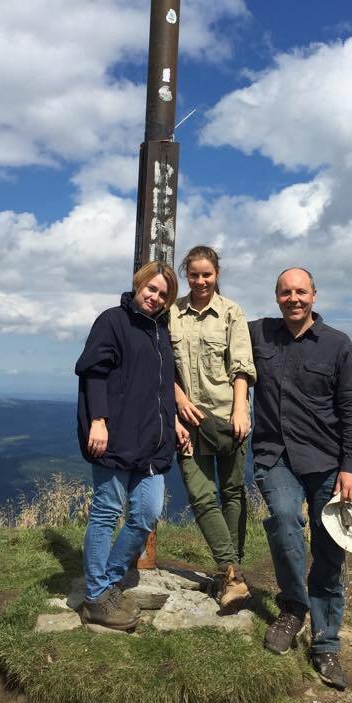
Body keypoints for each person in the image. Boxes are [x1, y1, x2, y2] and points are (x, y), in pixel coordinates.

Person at [249, 267, 352, 690]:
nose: (293, 298)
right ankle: (293, 608)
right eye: (285, 292)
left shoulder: (337, 345)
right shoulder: (257, 334)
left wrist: (350, 465)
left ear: (315, 295)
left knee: (330, 548)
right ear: (276, 296)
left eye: (301, 291)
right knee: (283, 521)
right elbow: (209, 331)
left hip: (328, 462)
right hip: (274, 455)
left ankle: (326, 643)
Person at [75, 260, 179, 631]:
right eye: (151, 289)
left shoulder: (160, 331)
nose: (154, 297)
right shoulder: (112, 321)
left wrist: (175, 422)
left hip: (152, 443)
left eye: (163, 294)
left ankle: (109, 582)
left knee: (146, 514)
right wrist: (98, 420)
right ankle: (95, 598)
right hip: (115, 436)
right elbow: (94, 372)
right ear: (138, 285)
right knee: (106, 512)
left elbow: (162, 386)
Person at [170, 245, 257, 612]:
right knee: (201, 494)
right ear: (186, 276)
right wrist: (176, 404)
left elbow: (241, 366)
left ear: (217, 274)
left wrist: (241, 410)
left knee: (232, 492)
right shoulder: (171, 314)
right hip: (189, 420)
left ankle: (229, 575)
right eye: (194, 275)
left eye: (207, 274)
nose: (201, 281)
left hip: (227, 415)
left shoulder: (231, 312)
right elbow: (162, 368)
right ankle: (232, 574)